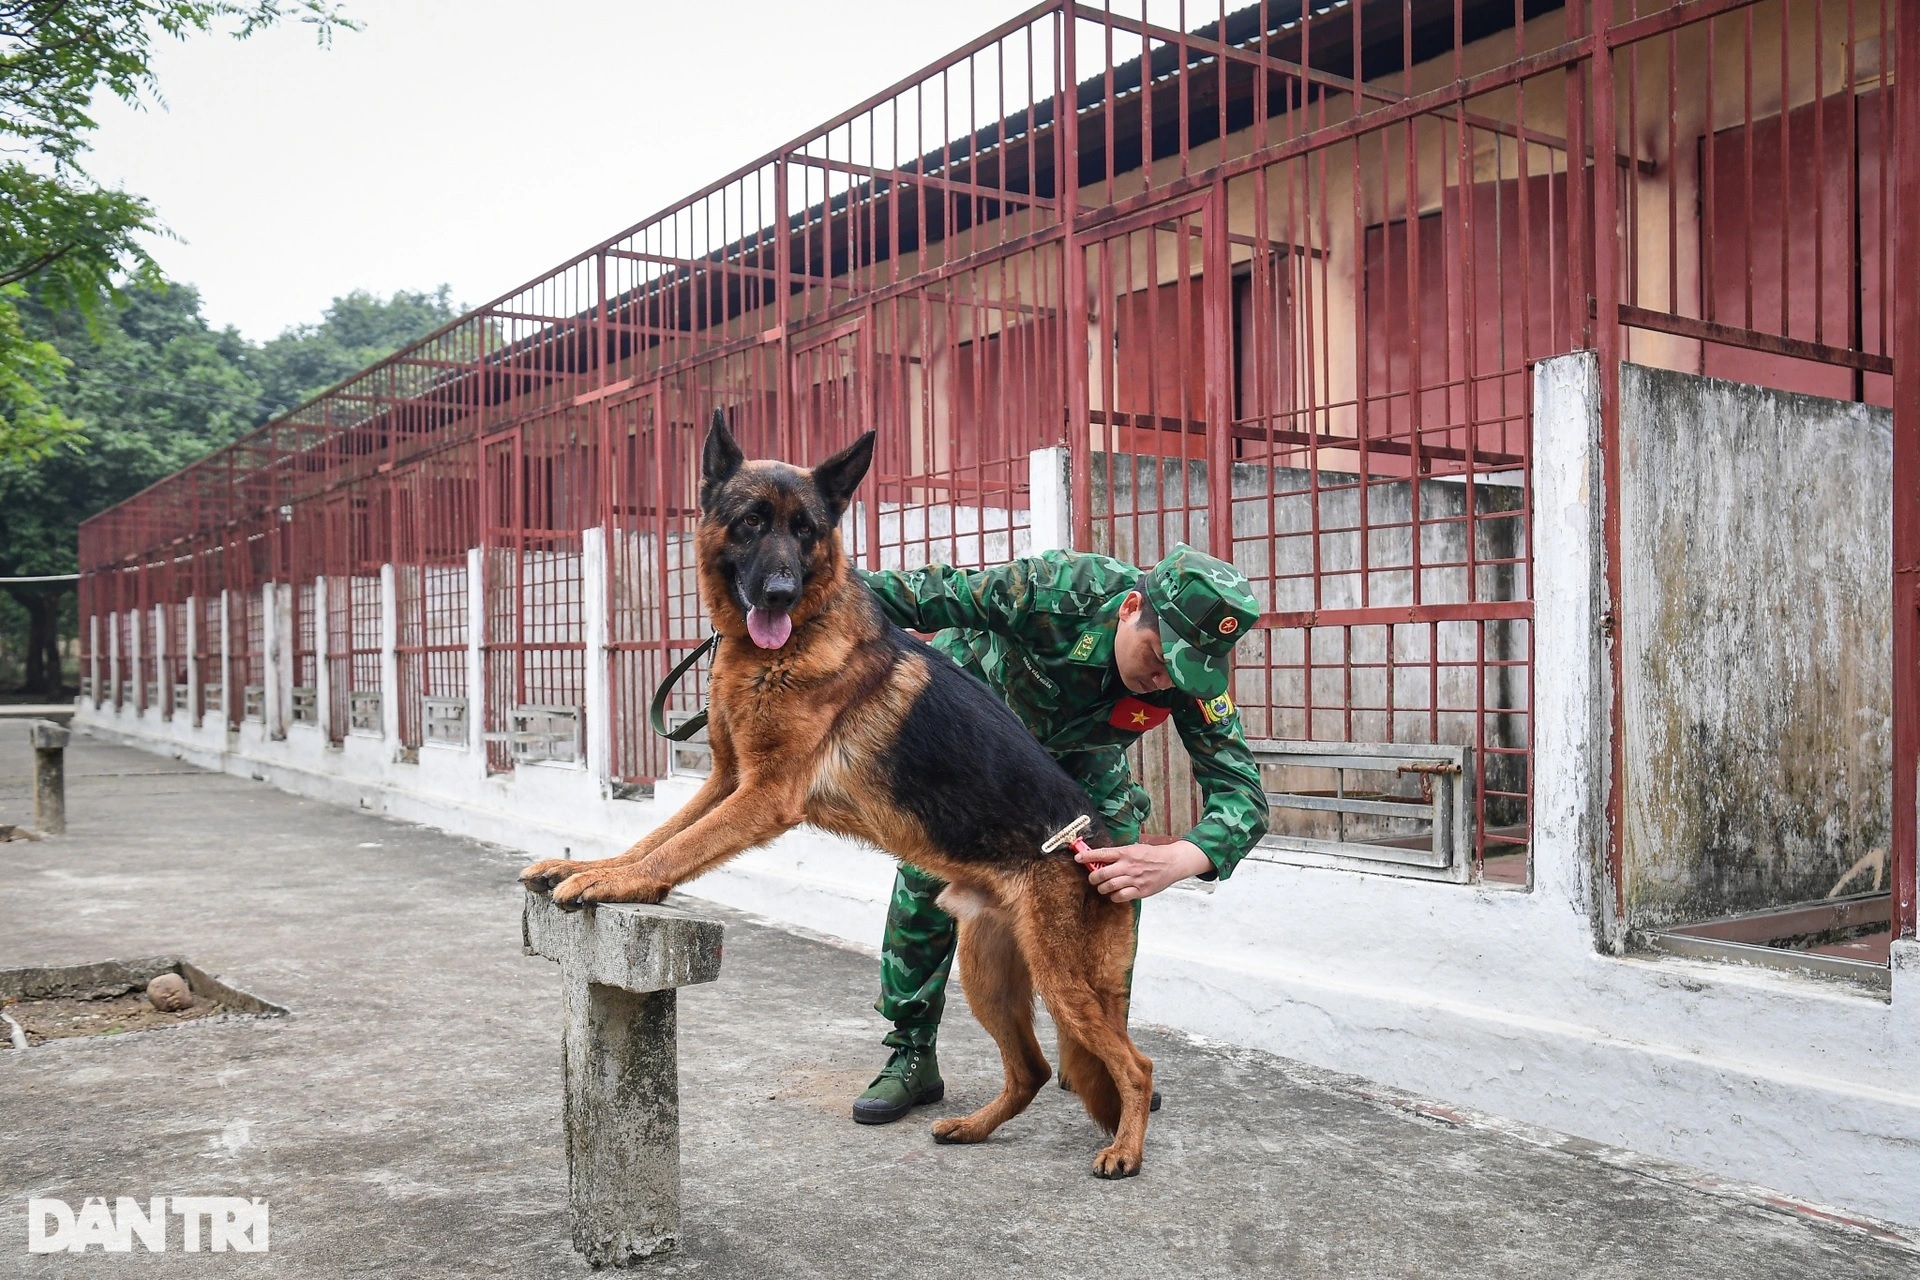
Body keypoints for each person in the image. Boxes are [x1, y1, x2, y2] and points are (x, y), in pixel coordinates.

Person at [849, 542, 1270, 1123]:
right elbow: (925, 593)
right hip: (979, 751)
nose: (1163, 677)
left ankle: (1095, 1057)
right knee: (928, 883)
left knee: (1112, 888)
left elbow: (1243, 793)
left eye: (1184, 668)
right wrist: (800, 598)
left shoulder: (1190, 672)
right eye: (1157, 654)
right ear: (1129, 609)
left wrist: (1183, 860)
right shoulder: (1055, 589)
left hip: (1082, 767)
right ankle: (911, 1053)